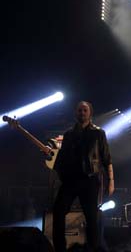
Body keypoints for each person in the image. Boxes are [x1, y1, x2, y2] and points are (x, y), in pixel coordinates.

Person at [52, 101, 114, 252]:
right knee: (58, 212)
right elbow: (62, 158)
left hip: (89, 180)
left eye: (85, 110)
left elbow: (107, 159)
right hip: (70, 180)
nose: (82, 113)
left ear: (90, 113)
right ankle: (60, 248)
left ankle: (93, 248)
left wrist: (111, 181)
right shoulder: (69, 134)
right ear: (76, 113)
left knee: (91, 217)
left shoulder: (98, 133)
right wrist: (61, 174)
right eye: (79, 110)